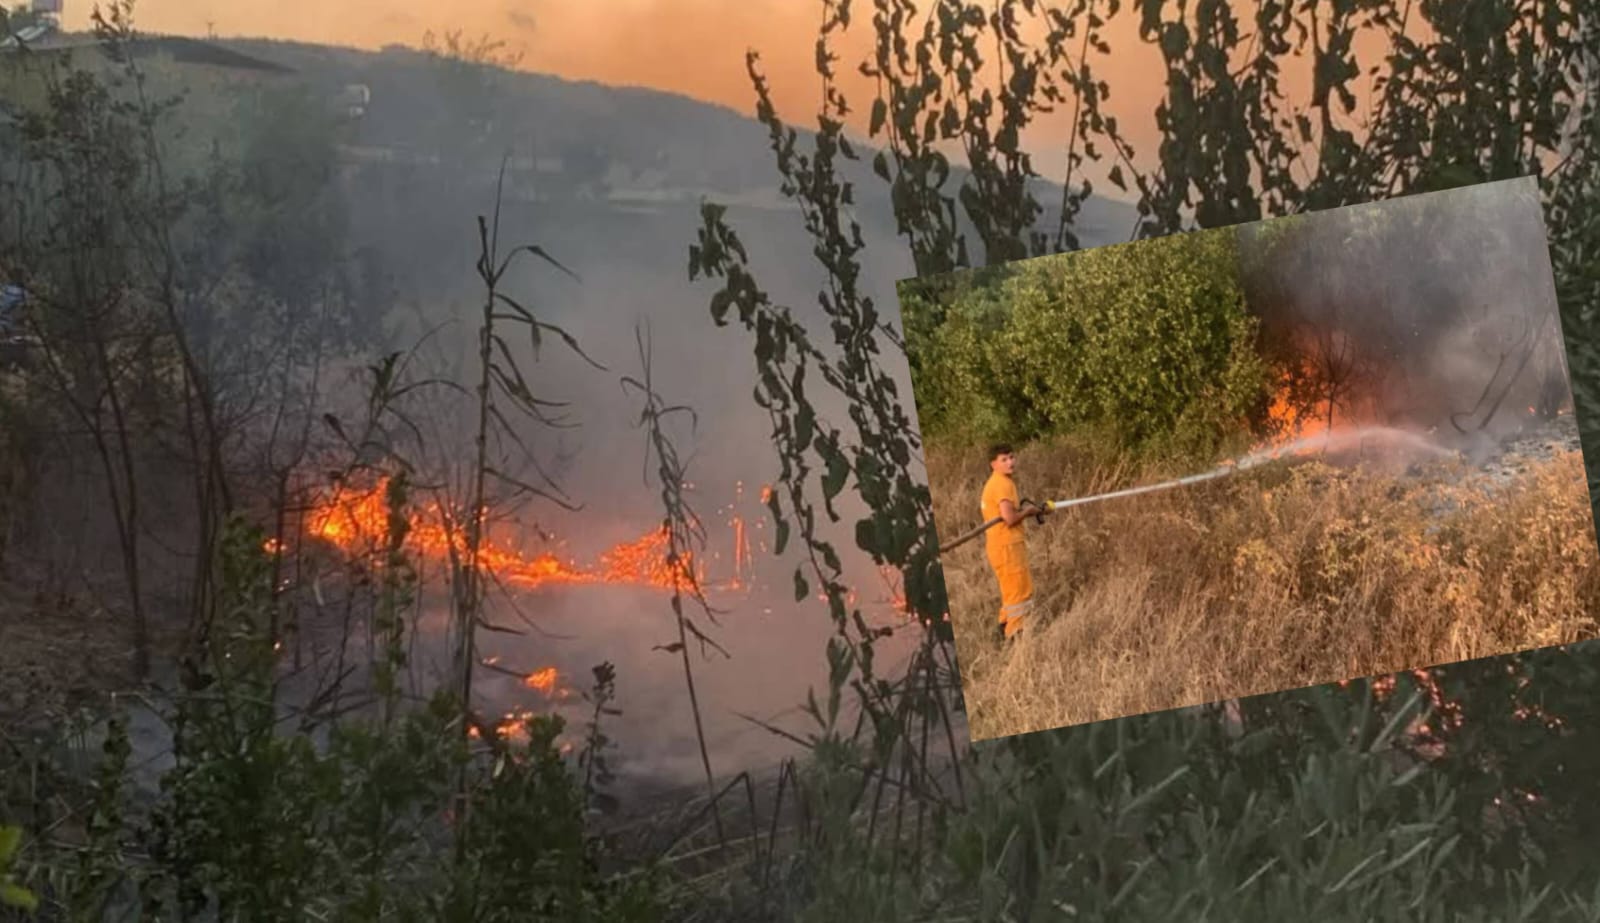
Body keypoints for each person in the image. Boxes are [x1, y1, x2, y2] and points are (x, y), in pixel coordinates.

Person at [980, 443, 1050, 641]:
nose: (1010, 462)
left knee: (1011, 591)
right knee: (1019, 592)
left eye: (1011, 457)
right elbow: (1009, 518)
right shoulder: (1002, 484)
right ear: (993, 464)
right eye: (1004, 459)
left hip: (1001, 545)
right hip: (1007, 547)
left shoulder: (997, 482)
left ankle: (1003, 630)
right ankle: (1014, 637)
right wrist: (1028, 511)